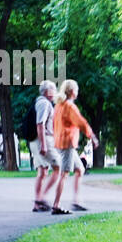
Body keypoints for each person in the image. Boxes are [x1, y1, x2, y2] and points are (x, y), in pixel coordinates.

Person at [51, 79, 98, 214]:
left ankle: (76, 201)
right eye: (76, 90)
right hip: (67, 144)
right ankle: (56, 205)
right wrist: (92, 137)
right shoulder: (69, 106)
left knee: (80, 170)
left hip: (61, 142)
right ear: (72, 92)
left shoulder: (59, 105)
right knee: (64, 174)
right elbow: (81, 123)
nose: (77, 92)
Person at [30, 81, 61, 212]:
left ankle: (37, 204)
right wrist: (43, 144)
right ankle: (42, 198)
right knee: (58, 167)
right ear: (48, 92)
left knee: (42, 171)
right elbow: (40, 124)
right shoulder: (44, 103)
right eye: (54, 90)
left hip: (36, 140)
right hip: (43, 140)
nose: (55, 93)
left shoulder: (39, 102)